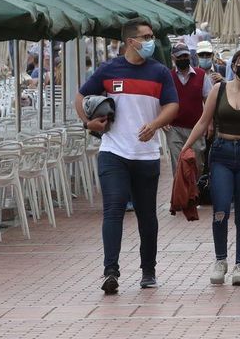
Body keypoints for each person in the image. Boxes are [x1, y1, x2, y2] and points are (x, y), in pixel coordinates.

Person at [75, 18, 179, 294]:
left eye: (152, 36)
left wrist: (155, 124)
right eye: (145, 37)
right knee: (114, 208)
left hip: (146, 155)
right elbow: (80, 97)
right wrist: (88, 123)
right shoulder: (109, 69)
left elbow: (172, 105)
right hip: (113, 152)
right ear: (130, 41)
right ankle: (111, 271)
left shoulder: (159, 72)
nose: (151, 41)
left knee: (147, 215)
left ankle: (148, 270)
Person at [181, 49, 240, 287]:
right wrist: (186, 147)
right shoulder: (218, 90)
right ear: (233, 66)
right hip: (222, 152)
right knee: (221, 208)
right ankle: (220, 260)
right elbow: (203, 121)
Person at [166, 43, 213, 174]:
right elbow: (161, 100)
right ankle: (181, 193)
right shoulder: (168, 77)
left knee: (198, 162)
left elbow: (208, 100)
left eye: (185, 56)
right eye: (179, 57)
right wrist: (162, 119)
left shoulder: (201, 75)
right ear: (173, 58)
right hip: (174, 128)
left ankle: (196, 191)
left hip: (197, 127)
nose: (183, 59)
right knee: (178, 163)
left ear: (190, 56)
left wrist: (210, 123)